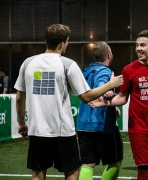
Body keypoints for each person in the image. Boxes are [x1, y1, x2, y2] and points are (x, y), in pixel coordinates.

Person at [14, 24, 123, 180]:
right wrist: (111, 84)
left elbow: (19, 97)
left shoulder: (28, 63)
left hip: (36, 130)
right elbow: (86, 96)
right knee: (72, 172)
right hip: (62, 131)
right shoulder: (68, 64)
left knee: (38, 173)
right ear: (62, 44)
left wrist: (21, 123)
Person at [90, 30, 148, 180]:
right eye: (137, 45)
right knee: (144, 168)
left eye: (142, 45)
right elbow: (122, 98)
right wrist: (104, 102)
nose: (138, 49)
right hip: (138, 127)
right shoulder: (129, 70)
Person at [77, 42, 123, 180]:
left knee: (87, 164)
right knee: (115, 161)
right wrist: (106, 93)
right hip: (102, 125)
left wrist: (112, 106)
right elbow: (101, 86)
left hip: (83, 125)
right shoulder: (105, 71)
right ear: (109, 55)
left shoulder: (85, 71)